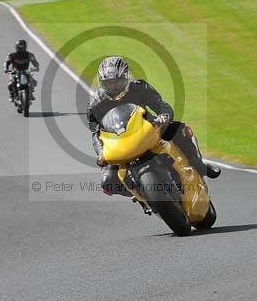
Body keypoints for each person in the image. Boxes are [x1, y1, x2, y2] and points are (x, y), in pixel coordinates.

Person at [88, 56, 220, 200]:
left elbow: (160, 104)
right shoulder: (96, 103)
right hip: (120, 144)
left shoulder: (139, 87)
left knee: (179, 129)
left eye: (116, 82)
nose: (112, 87)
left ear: (126, 77)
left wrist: (163, 116)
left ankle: (199, 165)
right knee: (107, 183)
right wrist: (101, 153)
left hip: (149, 130)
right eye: (108, 83)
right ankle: (139, 193)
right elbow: (96, 132)